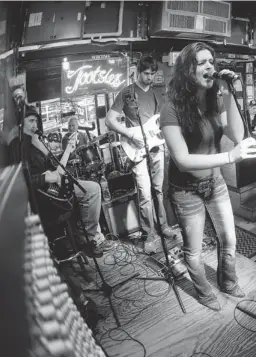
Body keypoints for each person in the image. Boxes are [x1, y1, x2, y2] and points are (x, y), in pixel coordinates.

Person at [160, 42, 256, 311]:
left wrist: (229, 93)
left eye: (211, 62)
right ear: (187, 70)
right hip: (185, 189)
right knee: (193, 251)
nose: (210, 67)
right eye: (202, 62)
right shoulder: (170, 108)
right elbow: (182, 160)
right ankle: (204, 291)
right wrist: (231, 157)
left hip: (214, 182)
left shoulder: (216, 98)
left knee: (229, 239)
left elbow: (236, 134)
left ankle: (227, 282)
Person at [8, 106, 112, 256]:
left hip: (53, 189)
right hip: (42, 198)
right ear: (20, 124)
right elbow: (20, 179)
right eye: (31, 121)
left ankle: (85, 238)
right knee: (91, 190)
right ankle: (83, 240)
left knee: (93, 188)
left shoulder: (36, 143)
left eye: (36, 121)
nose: (35, 124)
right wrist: (44, 177)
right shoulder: (17, 146)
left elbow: (57, 172)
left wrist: (68, 149)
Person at [105, 56, 178, 254]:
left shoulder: (157, 93)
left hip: (155, 145)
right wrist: (129, 134)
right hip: (136, 146)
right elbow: (110, 120)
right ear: (138, 71)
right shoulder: (127, 92)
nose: (150, 77)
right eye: (146, 73)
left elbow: (160, 120)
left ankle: (163, 227)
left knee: (159, 190)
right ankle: (149, 234)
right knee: (144, 193)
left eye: (153, 74)